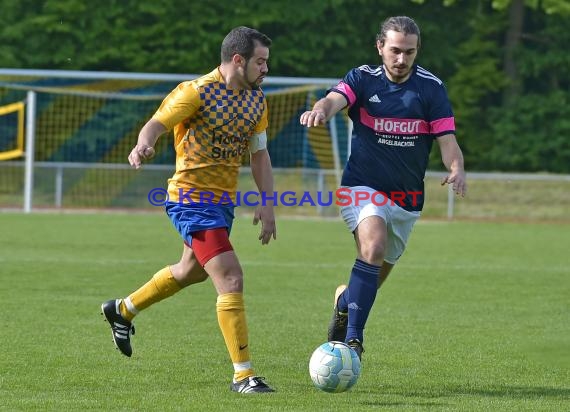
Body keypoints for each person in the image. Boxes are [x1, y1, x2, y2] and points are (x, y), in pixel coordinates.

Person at [101, 26, 277, 394]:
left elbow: (259, 154)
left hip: (221, 204)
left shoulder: (257, 100)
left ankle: (123, 309)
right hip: (190, 199)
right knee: (230, 277)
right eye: (260, 62)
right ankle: (243, 375)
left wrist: (268, 200)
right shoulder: (195, 91)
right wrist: (143, 145)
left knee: (190, 271)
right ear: (238, 59)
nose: (265, 69)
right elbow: (156, 123)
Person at [300, 16, 467, 360]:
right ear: (380, 47)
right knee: (373, 247)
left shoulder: (431, 87)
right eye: (395, 50)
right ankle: (353, 341)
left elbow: (447, 139)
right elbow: (334, 99)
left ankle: (345, 302)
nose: (402, 59)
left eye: (409, 52)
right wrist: (321, 109)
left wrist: (457, 167)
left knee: (373, 276)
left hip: (407, 199)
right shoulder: (362, 79)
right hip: (361, 186)